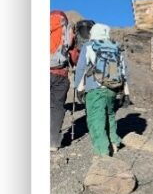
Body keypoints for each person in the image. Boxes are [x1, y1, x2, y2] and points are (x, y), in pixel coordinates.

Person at [74, 23, 130, 157]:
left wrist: (79, 88)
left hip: (95, 89)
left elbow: (81, 69)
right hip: (112, 89)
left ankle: (102, 152)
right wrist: (126, 93)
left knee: (96, 119)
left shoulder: (89, 46)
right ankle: (114, 143)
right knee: (109, 116)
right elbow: (123, 71)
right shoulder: (116, 47)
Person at [50, 10, 78, 152]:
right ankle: (53, 142)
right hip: (60, 74)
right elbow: (73, 55)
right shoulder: (68, 30)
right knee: (57, 107)